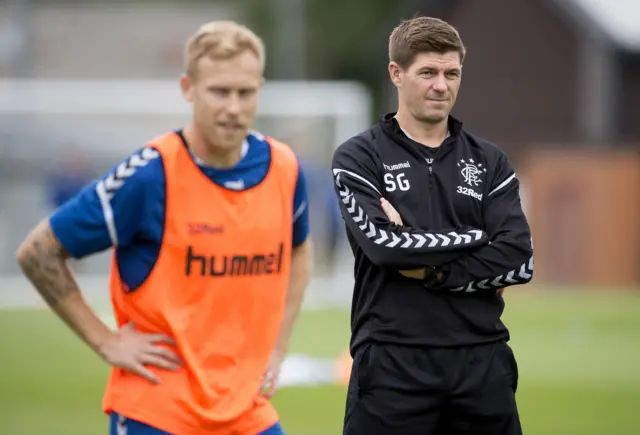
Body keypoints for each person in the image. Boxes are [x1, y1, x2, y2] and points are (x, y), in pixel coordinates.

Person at [15, 21, 312, 435]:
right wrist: (105, 341)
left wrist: (278, 348)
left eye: (245, 92)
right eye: (219, 91)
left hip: (247, 409)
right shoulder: (150, 176)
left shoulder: (285, 168)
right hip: (157, 410)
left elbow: (299, 248)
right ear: (188, 88)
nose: (233, 107)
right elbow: (39, 251)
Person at [331, 16, 533, 435]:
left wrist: (435, 269)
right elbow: (385, 248)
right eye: (428, 72)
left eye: (451, 73)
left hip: (482, 361)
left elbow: (518, 257)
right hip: (390, 362)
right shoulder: (359, 157)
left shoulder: (489, 161)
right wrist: (480, 240)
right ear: (396, 73)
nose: (442, 85)